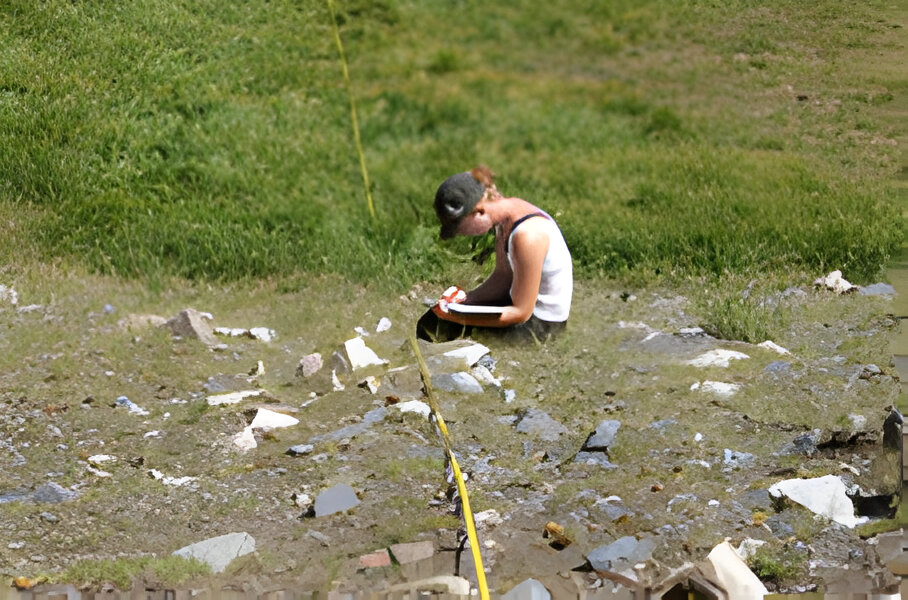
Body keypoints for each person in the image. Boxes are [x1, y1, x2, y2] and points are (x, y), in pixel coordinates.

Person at [416, 165, 572, 343]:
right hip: (521, 309)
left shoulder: (527, 235)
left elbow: (521, 313)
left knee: (442, 326)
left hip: (541, 327)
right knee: (433, 320)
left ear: (479, 211)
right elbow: (503, 276)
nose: (461, 234)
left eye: (459, 227)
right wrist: (463, 302)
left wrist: (459, 318)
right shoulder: (506, 216)